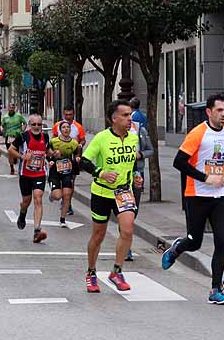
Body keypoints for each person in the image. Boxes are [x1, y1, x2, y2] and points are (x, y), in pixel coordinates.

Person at [161, 94, 224, 306]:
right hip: (197, 195)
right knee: (195, 242)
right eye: (219, 110)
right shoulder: (197, 133)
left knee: (221, 241)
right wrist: (206, 178)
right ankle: (177, 248)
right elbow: (179, 162)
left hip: (221, 197)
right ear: (209, 112)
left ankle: (216, 289)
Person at [79, 100, 139, 293]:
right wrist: (101, 173)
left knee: (128, 230)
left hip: (124, 192)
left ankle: (116, 271)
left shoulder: (133, 138)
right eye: (125, 115)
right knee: (99, 235)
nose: (130, 119)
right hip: (102, 193)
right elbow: (84, 161)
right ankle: (91, 272)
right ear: (114, 118)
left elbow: (132, 162)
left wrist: (136, 175)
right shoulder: (101, 138)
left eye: (130, 115)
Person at [8, 114, 55, 244]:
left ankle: (37, 231)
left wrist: (53, 154)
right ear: (29, 125)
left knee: (38, 198)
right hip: (25, 174)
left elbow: (47, 150)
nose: (36, 127)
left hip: (39, 173)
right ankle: (22, 213)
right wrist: (22, 157)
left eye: (39, 124)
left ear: (42, 125)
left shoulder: (45, 137)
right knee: (26, 201)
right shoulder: (23, 137)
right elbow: (11, 150)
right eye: (33, 124)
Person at [123, 118, 153, 261]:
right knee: (125, 212)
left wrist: (140, 155)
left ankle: (126, 240)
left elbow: (150, 150)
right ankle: (126, 248)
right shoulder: (116, 133)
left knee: (133, 211)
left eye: (129, 116)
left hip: (137, 173)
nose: (128, 119)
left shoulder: (140, 130)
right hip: (121, 176)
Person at [51, 106, 86, 213]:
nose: (68, 117)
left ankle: (68, 203)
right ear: (63, 114)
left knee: (71, 182)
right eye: (66, 115)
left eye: (70, 115)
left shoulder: (78, 127)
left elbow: (83, 140)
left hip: (72, 158)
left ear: (73, 115)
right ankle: (60, 196)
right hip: (60, 159)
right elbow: (53, 139)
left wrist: (79, 145)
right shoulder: (57, 125)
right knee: (61, 181)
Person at [49, 121, 81, 228]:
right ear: (60, 130)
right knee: (58, 196)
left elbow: (77, 153)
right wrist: (52, 157)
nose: (66, 129)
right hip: (55, 171)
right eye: (64, 127)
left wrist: (77, 158)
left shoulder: (74, 143)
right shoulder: (53, 141)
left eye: (68, 127)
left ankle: (62, 219)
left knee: (67, 195)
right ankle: (52, 194)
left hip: (68, 171)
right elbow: (47, 153)